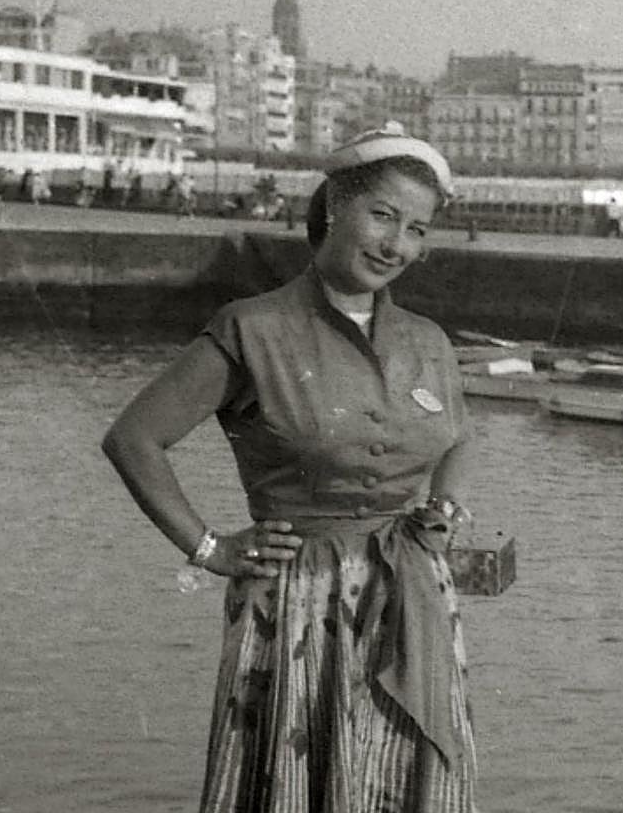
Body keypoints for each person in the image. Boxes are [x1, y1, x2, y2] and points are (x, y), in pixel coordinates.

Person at [101, 124, 478, 812]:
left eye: (416, 230)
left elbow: (456, 435)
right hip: (297, 600)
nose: (395, 244)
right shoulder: (252, 328)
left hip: (412, 599)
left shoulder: (426, 342)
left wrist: (444, 509)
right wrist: (209, 548)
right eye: (383, 215)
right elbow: (134, 439)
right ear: (334, 205)